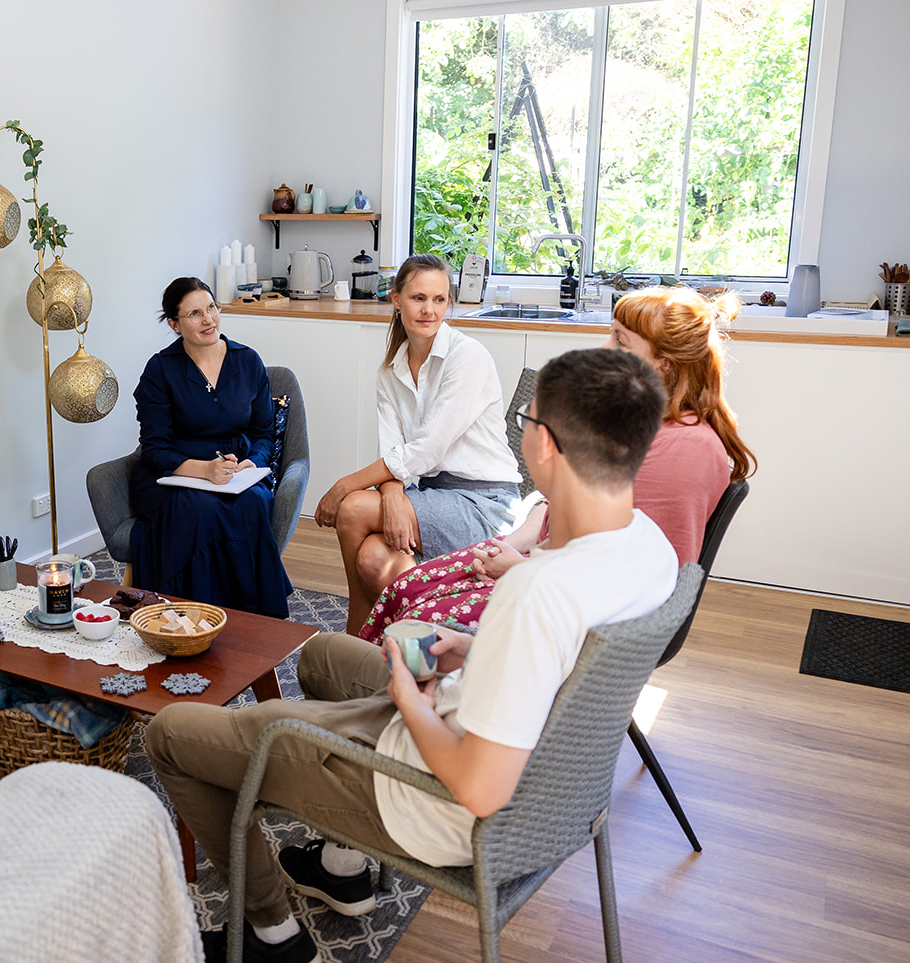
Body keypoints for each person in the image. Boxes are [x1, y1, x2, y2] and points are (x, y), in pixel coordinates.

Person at [147, 347, 679, 963]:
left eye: (527, 420)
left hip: (428, 799)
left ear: (546, 446)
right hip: (538, 772)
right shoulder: (651, 548)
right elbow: (568, 666)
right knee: (322, 657)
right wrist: (475, 649)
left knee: (173, 735)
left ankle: (272, 936)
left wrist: (409, 702)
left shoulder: (537, 591)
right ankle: (342, 865)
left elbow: (479, 789)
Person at [357, 286, 757, 640]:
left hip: (572, 607)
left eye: (620, 342)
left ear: (662, 365)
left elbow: (636, 582)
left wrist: (521, 569)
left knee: (418, 613)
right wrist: (511, 545)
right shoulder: (644, 420)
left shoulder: (683, 452)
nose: (605, 350)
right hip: (545, 563)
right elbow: (560, 510)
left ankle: (395, 688)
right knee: (406, 587)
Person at [314, 255, 521, 634]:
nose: (429, 310)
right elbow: (395, 452)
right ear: (396, 300)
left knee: (354, 506)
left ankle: (356, 635)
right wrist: (393, 495)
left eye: (439, 300)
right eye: (418, 298)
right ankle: (409, 636)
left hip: (485, 503)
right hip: (428, 495)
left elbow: (427, 450)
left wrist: (345, 485)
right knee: (373, 557)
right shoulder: (390, 373)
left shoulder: (467, 356)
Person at [131, 277, 293, 617]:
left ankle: (251, 620)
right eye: (194, 314)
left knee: (251, 502)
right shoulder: (160, 370)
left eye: (211, 308)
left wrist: (253, 462)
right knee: (200, 508)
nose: (208, 320)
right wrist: (204, 470)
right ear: (174, 324)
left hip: (237, 471)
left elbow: (263, 433)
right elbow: (154, 449)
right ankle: (192, 615)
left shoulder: (248, 361)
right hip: (177, 473)